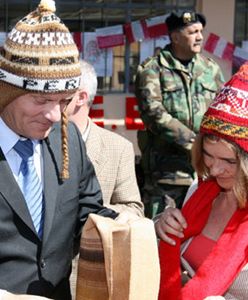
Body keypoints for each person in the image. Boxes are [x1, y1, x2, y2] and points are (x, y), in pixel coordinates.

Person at [0, 1, 118, 299]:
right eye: (41, 101)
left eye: (64, 101)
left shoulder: (68, 140)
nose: (54, 116)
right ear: (7, 92)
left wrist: (136, 228)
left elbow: (87, 215)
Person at [156, 63, 248, 300]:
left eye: (228, 160)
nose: (215, 170)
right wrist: (160, 225)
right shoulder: (199, 191)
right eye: (208, 155)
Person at [66, 60, 144, 299]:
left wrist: (86, 213)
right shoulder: (35, 142)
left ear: (81, 97)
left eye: (61, 89)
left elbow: (134, 210)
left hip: (92, 275)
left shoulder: (117, 148)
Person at [135, 10, 225, 218]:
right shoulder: (152, 69)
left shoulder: (210, 69)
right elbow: (154, 113)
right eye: (193, 32)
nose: (200, 37)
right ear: (175, 37)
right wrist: (195, 144)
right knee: (162, 238)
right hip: (168, 175)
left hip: (208, 173)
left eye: (201, 31)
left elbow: (220, 110)